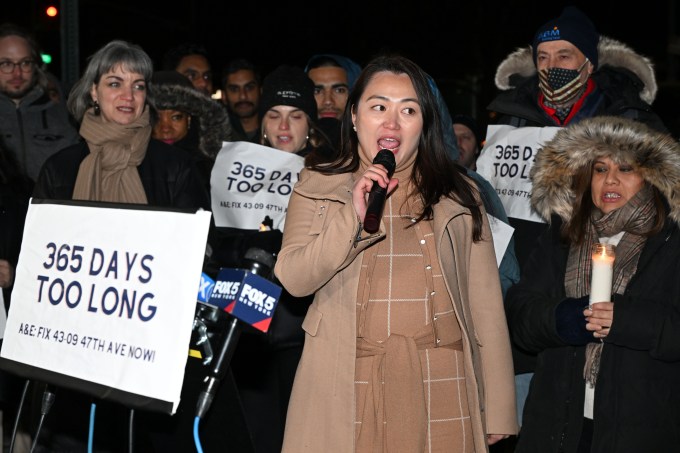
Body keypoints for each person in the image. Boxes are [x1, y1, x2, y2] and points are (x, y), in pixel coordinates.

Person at [275, 54, 517, 452]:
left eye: (408, 109)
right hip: (349, 380)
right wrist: (351, 218)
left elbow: (485, 304)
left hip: (443, 379)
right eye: (378, 107)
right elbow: (295, 279)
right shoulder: (317, 185)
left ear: (424, 124)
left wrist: (500, 406)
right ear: (354, 117)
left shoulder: (461, 194)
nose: (392, 122)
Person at [477, 5, 669, 430]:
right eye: (542, 57)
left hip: (608, 300)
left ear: (588, 61)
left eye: (564, 55)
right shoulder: (511, 118)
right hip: (526, 293)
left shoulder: (630, 118)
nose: (552, 66)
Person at [30, 39, 210, 451]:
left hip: (151, 347)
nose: (128, 96)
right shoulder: (59, 168)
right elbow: (39, 260)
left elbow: (200, 252)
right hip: (72, 348)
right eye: (115, 83)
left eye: (139, 85)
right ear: (93, 91)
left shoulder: (176, 167)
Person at [506, 116, 680, 452]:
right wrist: (565, 319)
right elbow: (520, 313)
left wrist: (626, 321)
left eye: (625, 168)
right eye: (600, 169)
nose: (610, 179)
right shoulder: (563, 234)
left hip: (640, 431)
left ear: (651, 177)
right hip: (556, 428)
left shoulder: (671, 242)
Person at [216, 64, 333, 453]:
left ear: (310, 124)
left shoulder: (331, 175)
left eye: (296, 116)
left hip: (303, 328)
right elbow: (215, 245)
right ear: (262, 122)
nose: (285, 126)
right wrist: (251, 248)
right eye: (274, 115)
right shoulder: (233, 170)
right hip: (247, 327)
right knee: (254, 434)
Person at [0, 22, 79, 182]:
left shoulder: (66, 105)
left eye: (25, 63)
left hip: (55, 205)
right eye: (6, 64)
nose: (17, 73)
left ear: (36, 65)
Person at [150, 70, 232, 191]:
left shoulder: (212, 172)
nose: (166, 128)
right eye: (156, 119)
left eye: (176, 117)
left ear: (189, 120)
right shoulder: (128, 166)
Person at [305, 53, 362, 151]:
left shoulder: (372, 150)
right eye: (317, 91)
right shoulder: (288, 151)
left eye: (339, 90)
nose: (328, 101)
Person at [220, 58, 262, 142]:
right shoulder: (214, 136)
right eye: (234, 89)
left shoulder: (277, 133)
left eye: (249, 88)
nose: (243, 96)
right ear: (224, 96)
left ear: (261, 91)